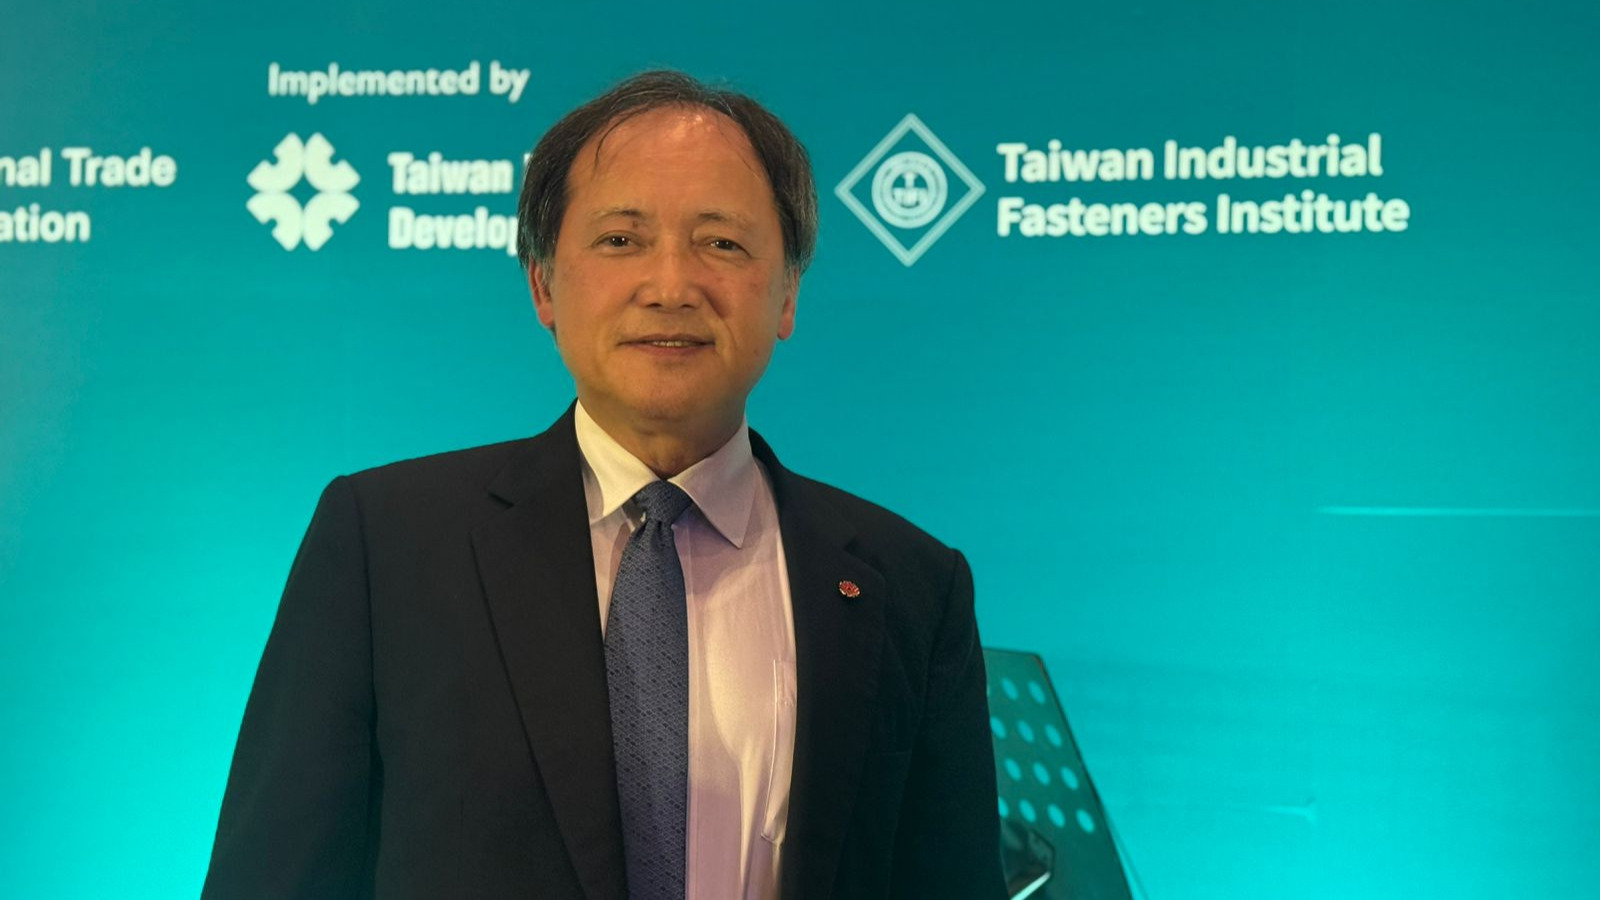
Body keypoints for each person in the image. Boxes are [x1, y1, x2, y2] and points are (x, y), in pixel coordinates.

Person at [202, 70, 1005, 900]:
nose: (671, 287)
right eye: (621, 240)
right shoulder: (387, 546)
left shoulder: (909, 586)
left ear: (787, 294)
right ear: (543, 284)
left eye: (722, 244)